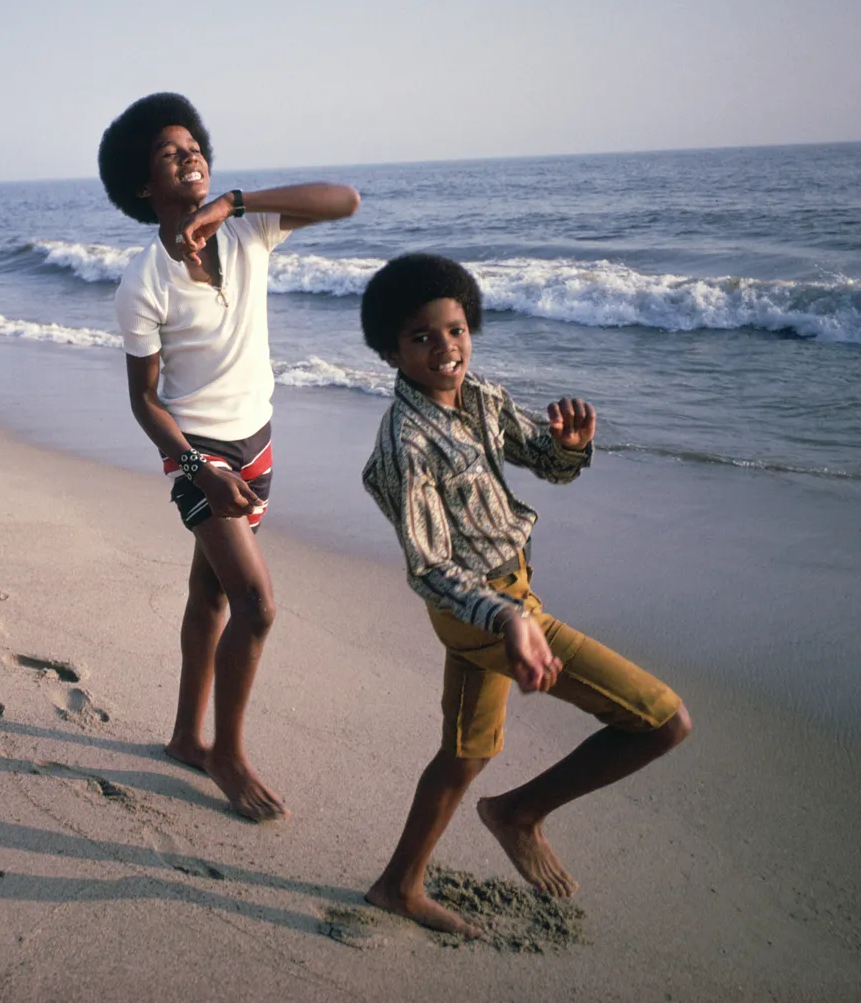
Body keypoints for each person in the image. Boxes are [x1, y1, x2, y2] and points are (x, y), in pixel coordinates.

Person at [359, 252, 692, 936]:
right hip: (482, 612)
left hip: (503, 600)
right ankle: (519, 814)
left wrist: (569, 446)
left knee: (466, 751)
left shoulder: (479, 397)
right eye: (421, 337)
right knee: (662, 721)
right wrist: (511, 620)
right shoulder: (404, 443)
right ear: (391, 350)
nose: (444, 348)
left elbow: (545, 462)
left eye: (454, 329)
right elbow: (427, 567)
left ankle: (398, 884)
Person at [101, 92, 360, 821]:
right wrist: (197, 471)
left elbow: (345, 200)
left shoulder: (250, 233)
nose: (188, 157)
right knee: (257, 604)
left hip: (257, 443)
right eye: (167, 154)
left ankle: (186, 735)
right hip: (196, 454)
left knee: (211, 593)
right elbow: (144, 400)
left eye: (193, 147)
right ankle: (226, 753)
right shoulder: (142, 281)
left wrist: (234, 203)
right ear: (143, 187)